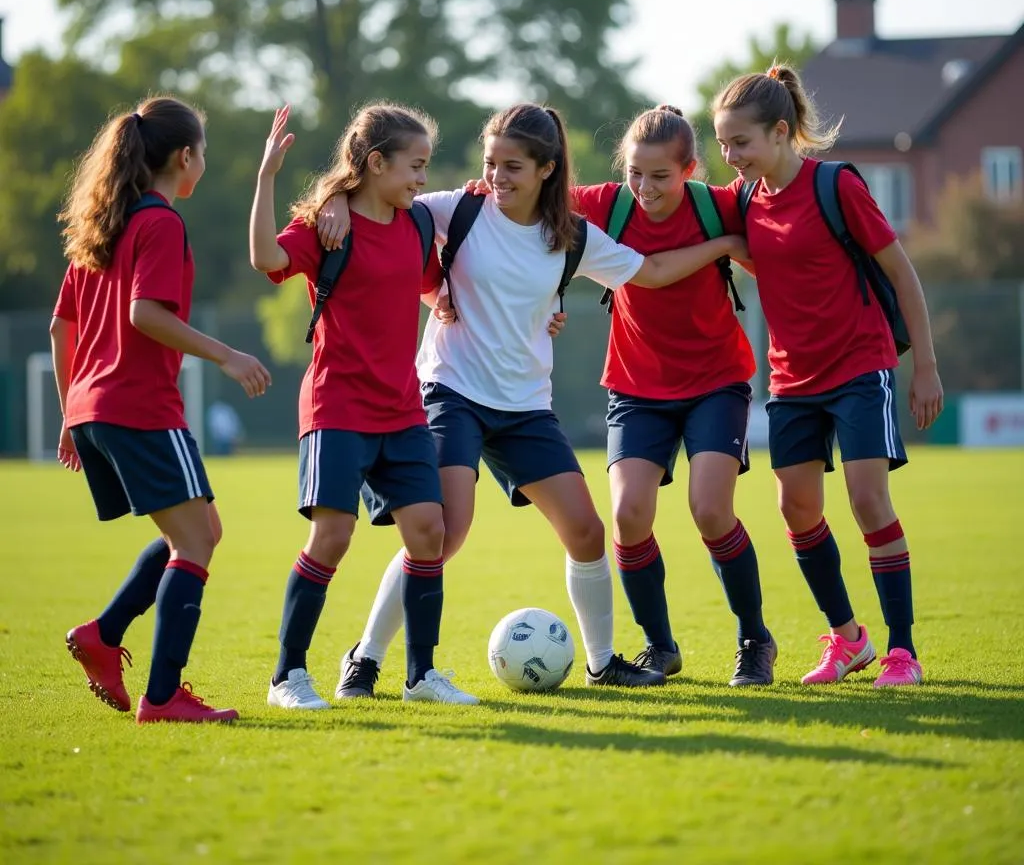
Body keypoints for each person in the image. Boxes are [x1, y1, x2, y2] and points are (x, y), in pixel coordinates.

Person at [317, 102, 748, 696]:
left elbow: (647, 272)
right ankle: (365, 659)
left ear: (547, 169)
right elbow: (383, 202)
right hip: (452, 391)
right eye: (491, 163)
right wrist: (337, 198)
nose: (497, 177)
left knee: (587, 531)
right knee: (442, 533)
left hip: (525, 407)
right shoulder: (455, 210)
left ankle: (601, 663)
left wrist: (724, 243)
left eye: (513, 166)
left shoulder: (570, 236)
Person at [713, 65, 943, 687]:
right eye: (723, 143)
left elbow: (901, 272)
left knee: (868, 499)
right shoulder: (744, 199)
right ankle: (849, 640)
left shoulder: (836, 186)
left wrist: (924, 364)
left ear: (781, 132)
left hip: (861, 367)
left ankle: (901, 650)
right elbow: (762, 261)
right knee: (796, 508)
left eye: (742, 143)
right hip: (790, 381)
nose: (730, 157)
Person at [252, 103, 478, 709]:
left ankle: (421, 676)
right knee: (332, 535)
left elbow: (428, 283)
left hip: (402, 407)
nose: (422, 180)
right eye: (415, 166)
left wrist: (451, 305)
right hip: (337, 405)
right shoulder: (325, 226)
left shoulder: (415, 226)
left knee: (429, 532)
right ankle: (287, 678)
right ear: (376, 163)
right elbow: (267, 261)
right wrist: (267, 177)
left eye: (427, 168)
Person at [53, 96, 271, 724]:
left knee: (198, 531)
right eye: (204, 151)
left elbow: (58, 327)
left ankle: (103, 635)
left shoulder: (102, 225)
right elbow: (144, 315)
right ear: (185, 157)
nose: (203, 162)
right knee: (197, 539)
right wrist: (226, 354)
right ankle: (163, 695)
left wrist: (72, 410)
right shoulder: (160, 223)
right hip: (139, 406)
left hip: (95, 406)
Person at [567, 105, 776, 685]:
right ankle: (660, 647)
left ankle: (755, 639)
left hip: (717, 381)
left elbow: (777, 246)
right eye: (636, 172)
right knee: (628, 515)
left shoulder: (719, 205)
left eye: (660, 175)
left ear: (689, 170)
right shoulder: (606, 204)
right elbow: (524, 194)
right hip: (636, 387)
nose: (645, 187)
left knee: (710, 510)